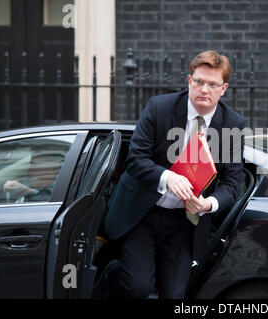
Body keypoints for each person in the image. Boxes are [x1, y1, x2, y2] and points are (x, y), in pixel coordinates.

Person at [102, 50, 245, 299]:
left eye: (213, 84)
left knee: (175, 295)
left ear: (223, 89)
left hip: (184, 223)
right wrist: (167, 177)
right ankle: (109, 275)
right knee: (138, 287)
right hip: (142, 213)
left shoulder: (232, 124)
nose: (205, 89)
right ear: (189, 81)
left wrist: (207, 204)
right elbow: (135, 159)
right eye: (199, 82)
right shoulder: (160, 108)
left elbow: (233, 184)